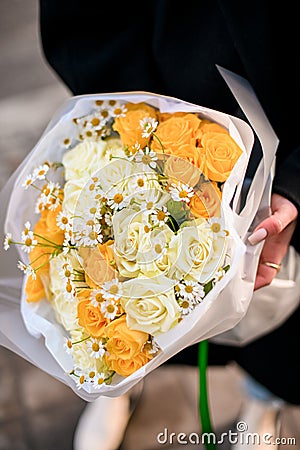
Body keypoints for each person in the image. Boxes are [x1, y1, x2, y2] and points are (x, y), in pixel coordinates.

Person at [38, 1, 300, 448]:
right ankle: (121, 370)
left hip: (285, 119)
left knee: (277, 308)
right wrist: (136, 128)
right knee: (118, 284)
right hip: (146, 97)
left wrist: (296, 183)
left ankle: (263, 401)